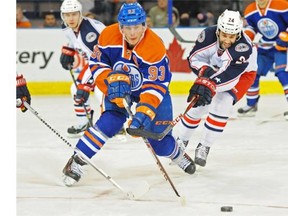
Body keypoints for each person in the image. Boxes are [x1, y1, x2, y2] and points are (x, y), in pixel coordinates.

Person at [62, 2, 196, 186]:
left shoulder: (154, 46)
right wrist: (110, 83)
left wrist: (143, 113)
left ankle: (177, 153)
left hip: (149, 91)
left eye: (137, 27)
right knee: (110, 122)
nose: (132, 32)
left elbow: (155, 86)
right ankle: (77, 161)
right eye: (127, 27)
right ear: (120, 26)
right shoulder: (108, 35)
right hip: (118, 87)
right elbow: (97, 64)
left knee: (158, 142)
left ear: (144, 25)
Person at [175, 9, 257, 168]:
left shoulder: (244, 48)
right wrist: (205, 74)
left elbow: (229, 79)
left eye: (232, 36)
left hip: (242, 75)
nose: (227, 40)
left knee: (223, 103)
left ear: (238, 35)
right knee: (199, 103)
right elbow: (194, 59)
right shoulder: (208, 34)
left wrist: (207, 84)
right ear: (218, 30)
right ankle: (181, 140)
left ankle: (205, 146)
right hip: (216, 69)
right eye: (224, 35)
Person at [59, 0, 106, 137]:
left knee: (101, 91)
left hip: (107, 63)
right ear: (63, 16)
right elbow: (74, 40)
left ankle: (114, 125)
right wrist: (68, 49)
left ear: (80, 14)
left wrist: (85, 84)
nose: (71, 18)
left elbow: (100, 60)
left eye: (74, 14)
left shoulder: (90, 32)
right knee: (76, 88)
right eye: (67, 15)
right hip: (95, 62)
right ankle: (83, 122)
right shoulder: (67, 26)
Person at [237, 0, 288, 120]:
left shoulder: (282, 5)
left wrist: (285, 37)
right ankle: (251, 104)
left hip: (282, 47)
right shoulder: (250, 10)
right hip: (265, 47)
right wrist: (247, 38)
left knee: (282, 73)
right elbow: (251, 27)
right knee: (253, 73)